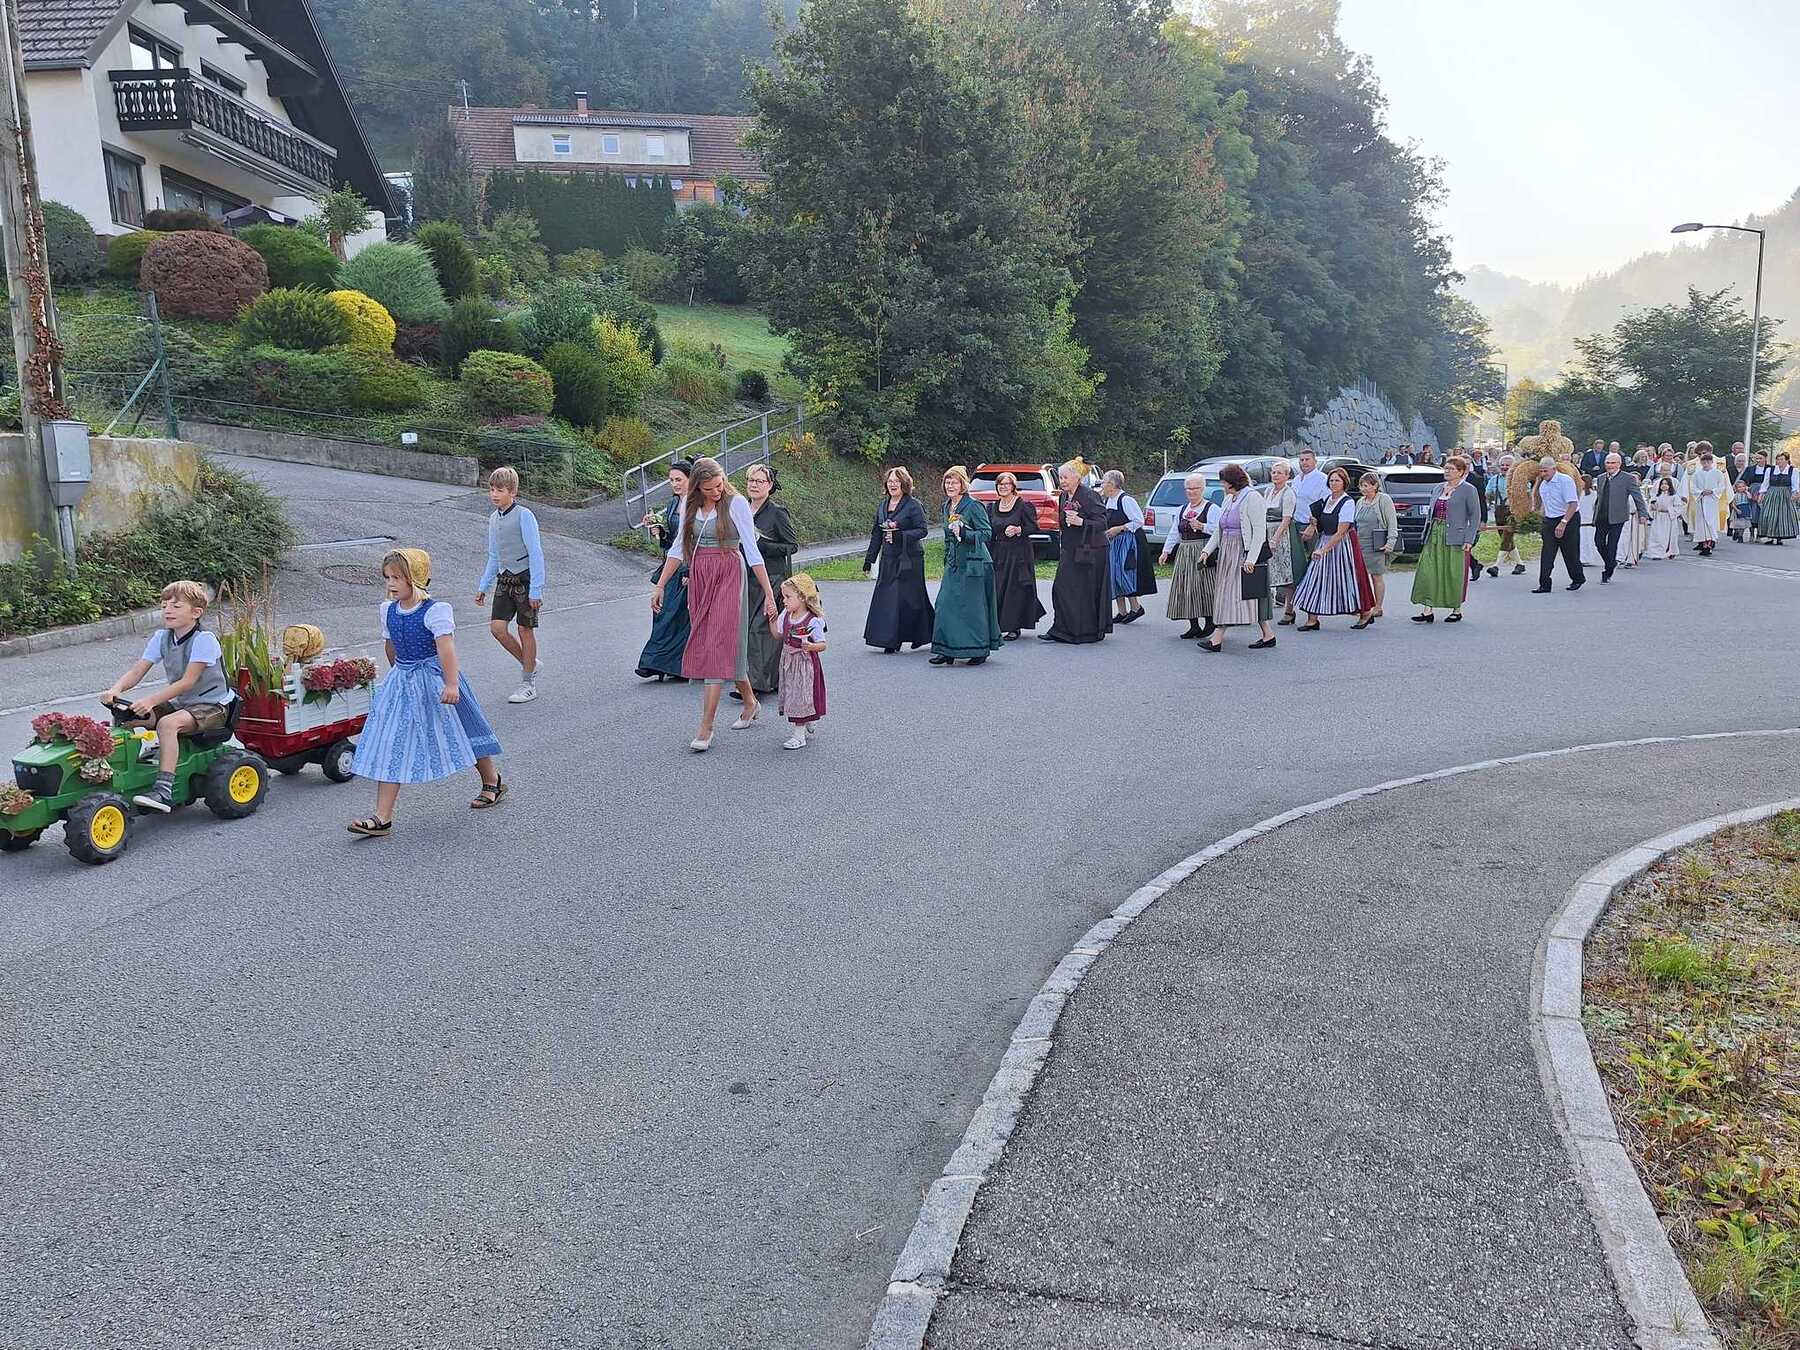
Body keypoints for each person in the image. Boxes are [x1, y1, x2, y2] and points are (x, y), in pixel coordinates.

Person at [348, 549, 504, 837]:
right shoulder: (388, 610)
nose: (390, 583)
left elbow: (446, 649)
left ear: (415, 578)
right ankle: (382, 817)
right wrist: (398, 677)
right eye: (387, 577)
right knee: (392, 741)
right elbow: (391, 646)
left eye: (397, 578)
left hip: (436, 680)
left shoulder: (435, 611)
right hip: (404, 681)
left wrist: (452, 684)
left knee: (464, 730)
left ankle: (492, 780)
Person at [651, 457, 778, 752]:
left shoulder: (736, 504)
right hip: (701, 575)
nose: (716, 492)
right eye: (709, 489)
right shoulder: (689, 504)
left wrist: (769, 594)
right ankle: (750, 701)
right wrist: (660, 585)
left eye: (719, 485)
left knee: (717, 644)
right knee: (717, 642)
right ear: (697, 487)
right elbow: (678, 548)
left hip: (729, 573)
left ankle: (706, 727)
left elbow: (752, 551)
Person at [102, 579, 237, 814]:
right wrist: (116, 690)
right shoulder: (162, 637)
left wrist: (151, 701)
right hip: (184, 704)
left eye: (176, 606)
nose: (167, 610)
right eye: (164, 605)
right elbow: (138, 671)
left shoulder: (204, 640)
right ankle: (125, 774)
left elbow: (187, 682)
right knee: (128, 717)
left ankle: (164, 790)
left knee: (167, 724)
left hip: (212, 706)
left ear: (196, 613)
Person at [474, 466, 545, 704]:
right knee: (497, 629)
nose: (494, 494)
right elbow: (494, 555)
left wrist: (536, 589)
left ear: (512, 492)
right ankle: (530, 663)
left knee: (525, 630)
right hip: (504, 580)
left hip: (525, 580)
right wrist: (483, 586)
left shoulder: (525, 515)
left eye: (500, 490)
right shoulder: (493, 518)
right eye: (492, 489)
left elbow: (535, 553)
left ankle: (528, 684)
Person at [930, 466, 1002, 666]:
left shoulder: (973, 506)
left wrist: (965, 534)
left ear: (963, 484)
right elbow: (947, 536)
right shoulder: (947, 506)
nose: (950, 485)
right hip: (954, 563)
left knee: (972, 608)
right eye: (947, 482)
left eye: (954, 482)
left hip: (974, 563)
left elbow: (986, 533)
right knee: (945, 604)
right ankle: (946, 650)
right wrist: (947, 558)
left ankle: (979, 649)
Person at [1198, 464, 1275, 651]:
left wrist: (1251, 559)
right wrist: (1207, 550)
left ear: (1232, 482)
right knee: (1241, 594)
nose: (1222, 485)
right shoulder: (1229, 499)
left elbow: (1259, 531)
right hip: (1227, 551)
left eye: (1224, 482)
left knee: (1235, 594)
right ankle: (1268, 634)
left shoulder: (1252, 498)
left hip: (1242, 550)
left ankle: (1217, 638)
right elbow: (1220, 529)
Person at [738, 462, 798, 701]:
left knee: (761, 629)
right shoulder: (741, 509)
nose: (754, 485)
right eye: (751, 480)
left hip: (771, 577)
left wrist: (761, 546)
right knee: (746, 629)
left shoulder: (777, 512)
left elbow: (791, 546)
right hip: (744, 576)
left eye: (759, 481)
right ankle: (766, 678)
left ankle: (756, 683)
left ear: (770, 485)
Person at [860, 467, 934, 653]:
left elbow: (922, 530)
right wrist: (869, 559)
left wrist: (901, 535)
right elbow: (877, 533)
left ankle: (921, 635)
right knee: (888, 598)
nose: (892, 484)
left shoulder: (913, 505)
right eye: (890, 481)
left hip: (910, 559)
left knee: (911, 599)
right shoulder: (882, 506)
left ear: (904, 483)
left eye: (896, 481)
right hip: (888, 558)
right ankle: (890, 640)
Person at [1291, 467, 1374, 631]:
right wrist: (1314, 524)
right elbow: (1323, 525)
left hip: (1343, 546)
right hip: (1324, 541)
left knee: (1350, 580)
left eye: (1337, 480)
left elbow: (1341, 531)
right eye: (1331, 480)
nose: (1334, 483)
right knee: (1314, 578)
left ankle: (1365, 613)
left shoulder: (1347, 502)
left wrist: (1323, 550)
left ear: (1344, 483)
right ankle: (1312, 619)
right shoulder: (1327, 499)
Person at [1040, 460, 1113, 644]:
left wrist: (1082, 522)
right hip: (1070, 548)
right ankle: (1061, 629)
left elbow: (1103, 522)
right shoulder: (1064, 496)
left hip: (1091, 550)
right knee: (1061, 588)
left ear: (1077, 478)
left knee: (1083, 591)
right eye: (1061, 477)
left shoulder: (1089, 495)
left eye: (1065, 477)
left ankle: (1085, 631)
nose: (1062, 481)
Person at [635, 459, 694, 684]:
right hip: (671, 564)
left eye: (679, 479)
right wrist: (659, 531)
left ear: (691, 479)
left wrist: (689, 570)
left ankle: (670, 665)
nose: (675, 484)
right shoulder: (673, 503)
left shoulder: (696, 505)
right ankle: (657, 663)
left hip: (687, 565)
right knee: (662, 612)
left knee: (676, 616)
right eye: (671, 480)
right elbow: (672, 541)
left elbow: (694, 540)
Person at [1410, 455, 1481, 624]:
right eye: (1446, 468)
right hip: (1434, 533)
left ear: (1461, 472)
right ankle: (1427, 609)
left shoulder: (1468, 490)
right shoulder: (1438, 488)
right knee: (1428, 571)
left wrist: (1469, 539)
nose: (1447, 471)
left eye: (1451, 469)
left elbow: (1475, 516)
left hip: (1455, 536)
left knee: (1453, 573)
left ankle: (1456, 609)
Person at [1158, 472, 1216, 640]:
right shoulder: (1182, 509)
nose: (1191, 492)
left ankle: (1210, 622)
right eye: (1188, 489)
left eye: (1195, 488)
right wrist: (1166, 551)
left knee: (1204, 587)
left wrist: (1202, 526)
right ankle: (1194, 625)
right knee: (1186, 587)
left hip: (1203, 550)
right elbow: (1174, 532)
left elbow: (1219, 530)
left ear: (1203, 489)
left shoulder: (1211, 508)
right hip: (1184, 551)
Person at [988, 472, 1045, 640]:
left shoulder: (1023, 506)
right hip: (999, 553)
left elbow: (1034, 527)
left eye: (1006, 484)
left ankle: (1014, 627)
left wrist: (1018, 530)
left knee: (1015, 589)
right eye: (1000, 484)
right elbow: (989, 531)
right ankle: (998, 625)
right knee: (998, 587)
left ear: (1013, 486)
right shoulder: (992, 507)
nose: (1003, 487)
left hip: (1019, 554)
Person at [774, 573, 827, 750]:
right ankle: (808, 718)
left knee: (801, 696)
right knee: (793, 696)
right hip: (789, 662)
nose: (784, 601)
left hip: (805, 664)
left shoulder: (813, 621)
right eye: (783, 597)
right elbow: (777, 634)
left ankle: (799, 736)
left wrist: (810, 646)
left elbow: (822, 645)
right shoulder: (786, 615)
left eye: (788, 597)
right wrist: (772, 618)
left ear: (802, 597)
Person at [1099, 470, 1151, 624]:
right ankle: (1122, 611)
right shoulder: (1108, 500)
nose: (1102, 485)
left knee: (1124, 574)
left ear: (1112, 485)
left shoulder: (1126, 500)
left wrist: (1119, 528)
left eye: (1104, 482)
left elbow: (1138, 521)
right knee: (1114, 575)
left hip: (1128, 543)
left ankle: (1136, 608)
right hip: (1114, 543)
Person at [1589, 451, 1650, 582]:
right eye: (1607, 463)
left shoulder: (1628, 478)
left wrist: (1643, 514)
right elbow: (1599, 498)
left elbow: (1638, 497)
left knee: (1612, 545)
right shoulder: (1601, 478)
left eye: (1613, 463)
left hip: (1618, 517)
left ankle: (1608, 572)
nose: (1610, 465)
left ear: (1619, 464)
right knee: (1599, 542)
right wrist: (1594, 515)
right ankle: (1611, 563)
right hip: (1602, 516)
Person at [1352, 471, 1398, 626]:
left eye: (1366, 485)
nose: (1363, 489)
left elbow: (1392, 522)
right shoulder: (1360, 502)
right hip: (1361, 543)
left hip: (1377, 543)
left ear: (1375, 485)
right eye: (1361, 486)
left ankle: (1378, 607)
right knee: (1361, 576)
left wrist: (1390, 542)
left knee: (1376, 575)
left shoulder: (1384, 500)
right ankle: (1364, 605)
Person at [1533, 456, 1584, 592]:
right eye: (1541, 471)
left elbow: (1573, 504)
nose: (1543, 474)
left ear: (1554, 469)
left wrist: (1563, 523)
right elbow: (1545, 505)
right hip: (1550, 519)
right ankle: (1544, 584)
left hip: (1569, 517)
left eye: (1546, 471)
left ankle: (1577, 578)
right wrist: (1540, 519)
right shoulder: (1543, 485)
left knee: (1570, 552)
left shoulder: (1565, 481)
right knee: (1547, 553)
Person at [1263, 459, 1302, 621]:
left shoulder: (1288, 493)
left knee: (1287, 572)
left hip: (1283, 534)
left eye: (1279, 473)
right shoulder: (1268, 490)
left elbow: (1286, 519)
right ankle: (1264, 609)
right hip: (1267, 530)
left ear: (1287, 476)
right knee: (1268, 571)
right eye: (1273, 472)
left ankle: (1289, 609)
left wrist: (1274, 540)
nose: (1275, 475)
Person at [1291, 448, 1330, 592]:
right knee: (1298, 563)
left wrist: (1313, 526)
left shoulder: (1322, 479)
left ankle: (1318, 592)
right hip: (1296, 524)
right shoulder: (1296, 479)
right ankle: (1302, 592)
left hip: (1313, 526)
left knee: (1316, 562)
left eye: (1307, 459)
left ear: (1315, 461)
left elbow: (1325, 505)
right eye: (1301, 460)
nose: (1304, 462)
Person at [1486, 453, 1523, 577]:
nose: (1504, 467)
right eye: (1502, 465)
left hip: (1513, 512)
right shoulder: (1494, 479)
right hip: (1499, 512)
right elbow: (1488, 493)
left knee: (1506, 538)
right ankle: (1520, 564)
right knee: (1506, 538)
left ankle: (1496, 566)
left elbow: (1526, 494)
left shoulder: (1519, 479)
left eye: (1508, 465)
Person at [1688, 445, 1728, 556]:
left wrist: (1713, 491)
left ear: (1711, 462)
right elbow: (1693, 487)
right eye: (1704, 462)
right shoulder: (1697, 474)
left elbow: (1722, 486)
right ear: (1701, 462)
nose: (1706, 463)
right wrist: (1701, 492)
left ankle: (1710, 544)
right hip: (1701, 500)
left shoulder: (1717, 473)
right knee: (1701, 522)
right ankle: (1703, 543)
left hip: (1712, 501)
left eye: (1708, 461)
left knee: (1710, 521)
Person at [1757, 450, 1798, 544]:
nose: (1779, 461)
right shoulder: (1770, 470)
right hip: (1772, 494)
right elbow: (1765, 483)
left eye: (1781, 459)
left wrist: (1795, 494)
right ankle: (1770, 536)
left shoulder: (1793, 470)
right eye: (1778, 459)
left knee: (1783, 516)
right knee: (1769, 514)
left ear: (1787, 460)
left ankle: (1780, 537)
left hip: (1785, 494)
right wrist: (1761, 494)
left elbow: (1795, 484)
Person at [1644, 479, 1683, 559]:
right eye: (1662, 484)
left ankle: (1667, 552)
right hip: (1658, 518)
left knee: (1665, 537)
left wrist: (1668, 509)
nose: (1664, 485)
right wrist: (1652, 507)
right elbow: (1650, 507)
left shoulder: (1674, 497)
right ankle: (1654, 552)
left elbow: (1679, 508)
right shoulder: (1656, 496)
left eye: (1666, 484)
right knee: (1656, 536)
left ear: (1670, 486)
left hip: (1668, 519)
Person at [1730, 478, 1758, 544]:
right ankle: (1736, 532)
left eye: (1743, 486)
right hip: (1737, 510)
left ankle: (1740, 536)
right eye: (1739, 487)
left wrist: (1746, 491)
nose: (1741, 488)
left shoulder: (1746, 494)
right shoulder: (1735, 495)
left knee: (1742, 525)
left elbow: (1750, 497)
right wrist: (1736, 509)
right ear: (1736, 488)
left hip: (1745, 510)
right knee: (1737, 525)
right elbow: (1732, 504)